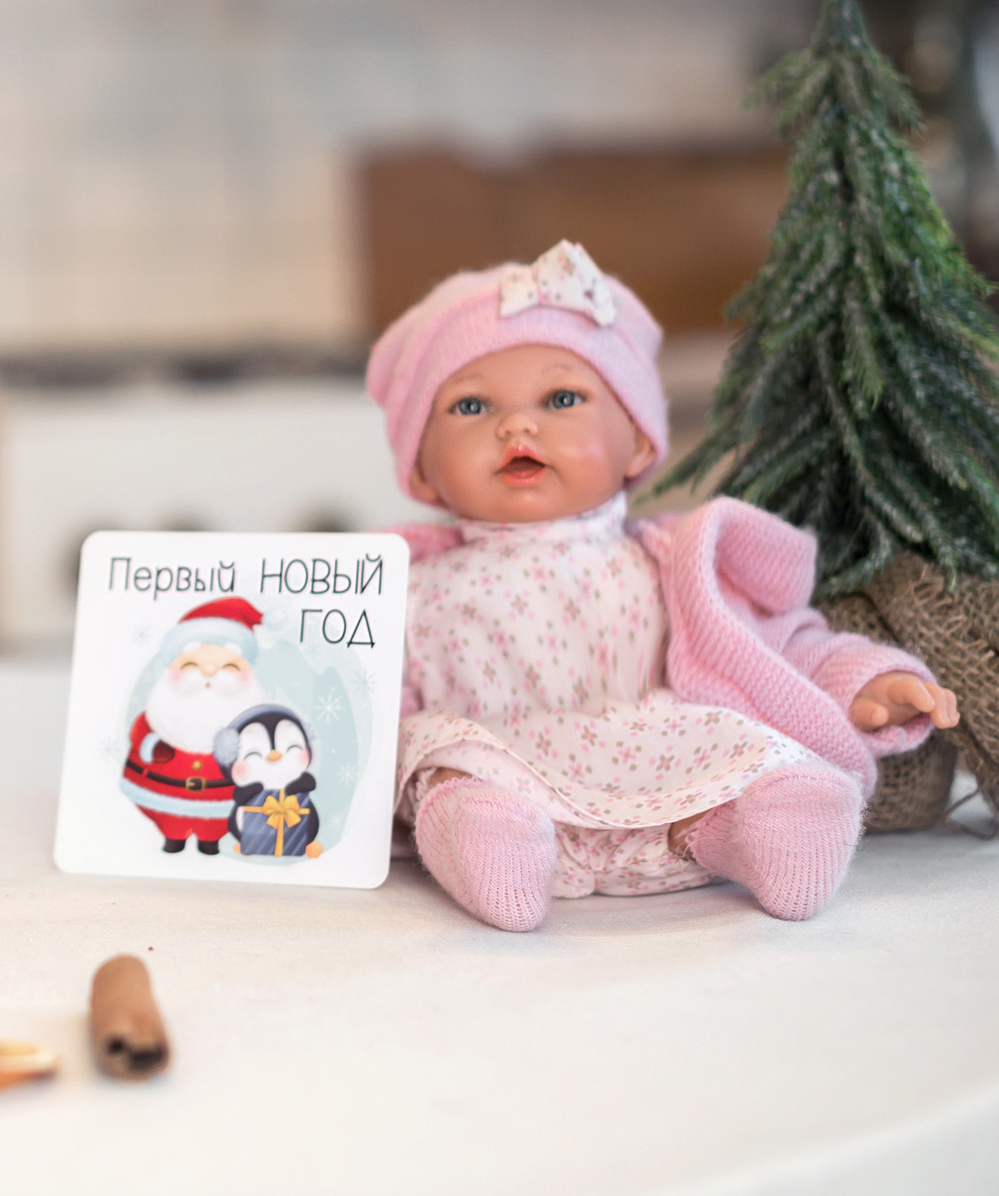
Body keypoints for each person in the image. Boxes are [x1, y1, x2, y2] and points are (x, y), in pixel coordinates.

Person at [367, 241, 960, 931]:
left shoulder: (678, 557)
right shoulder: (400, 587)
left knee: (737, 755)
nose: (517, 425)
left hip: (651, 768)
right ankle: (487, 847)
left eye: (562, 398)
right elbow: (360, 707)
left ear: (641, 443)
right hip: (500, 772)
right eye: (471, 407)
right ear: (422, 472)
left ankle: (758, 832)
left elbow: (777, 647)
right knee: (437, 764)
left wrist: (864, 685)